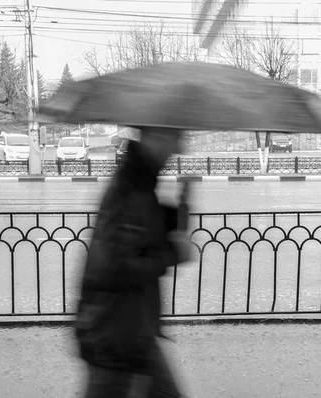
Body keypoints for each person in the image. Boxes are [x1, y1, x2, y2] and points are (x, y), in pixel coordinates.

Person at [75, 126, 193, 398]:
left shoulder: (141, 183)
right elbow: (116, 266)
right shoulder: (131, 189)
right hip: (115, 333)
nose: (179, 148)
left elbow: (151, 232)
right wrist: (174, 254)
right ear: (155, 137)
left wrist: (182, 208)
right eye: (175, 138)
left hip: (127, 328)